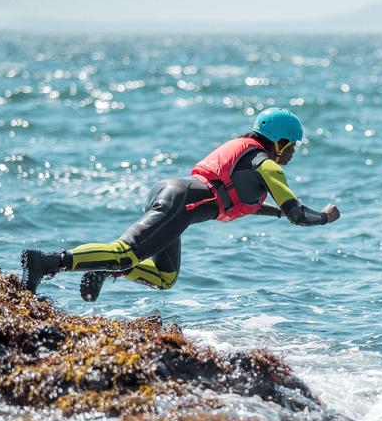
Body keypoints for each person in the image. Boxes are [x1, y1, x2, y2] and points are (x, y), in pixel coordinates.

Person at [20, 108, 340, 301]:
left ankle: (103, 272)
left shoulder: (248, 159)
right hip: (180, 203)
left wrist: (278, 213)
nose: (294, 152)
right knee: (124, 253)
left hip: (175, 197)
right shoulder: (267, 165)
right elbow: (298, 214)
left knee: (164, 278)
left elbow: (248, 204)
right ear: (281, 143)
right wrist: (324, 217)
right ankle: (48, 262)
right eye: (293, 146)